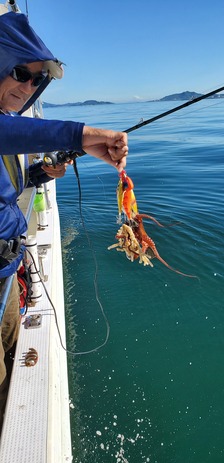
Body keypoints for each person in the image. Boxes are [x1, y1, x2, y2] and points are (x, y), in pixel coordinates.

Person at [0, 11, 128, 431]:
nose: (27, 86)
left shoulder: (10, 126)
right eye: (20, 72)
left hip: (7, 273)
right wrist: (85, 136)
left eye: (37, 79)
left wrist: (39, 174)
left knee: (11, 357)